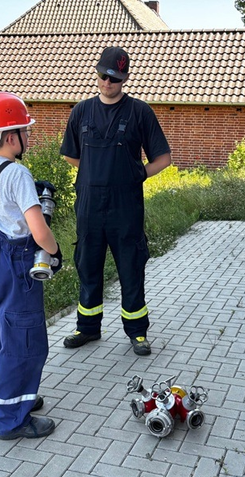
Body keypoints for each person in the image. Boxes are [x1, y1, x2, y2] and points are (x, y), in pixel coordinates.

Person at [60, 46, 172, 356]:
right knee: (88, 267)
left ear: (124, 79)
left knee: (131, 269)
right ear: (97, 74)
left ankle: (137, 332)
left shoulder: (139, 112)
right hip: (89, 207)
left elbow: (163, 158)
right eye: (103, 76)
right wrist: (96, 173)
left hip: (125, 208)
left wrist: (135, 175)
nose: (108, 82)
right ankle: (87, 327)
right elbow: (70, 155)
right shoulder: (81, 111)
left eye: (114, 78)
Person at [0, 91, 62, 440]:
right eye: (25, 130)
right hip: (18, 262)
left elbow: (4, 214)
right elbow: (39, 231)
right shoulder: (18, 174)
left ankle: (4, 397)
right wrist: (54, 253)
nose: (28, 135)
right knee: (24, 341)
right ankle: (13, 420)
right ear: (11, 136)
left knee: (1, 334)